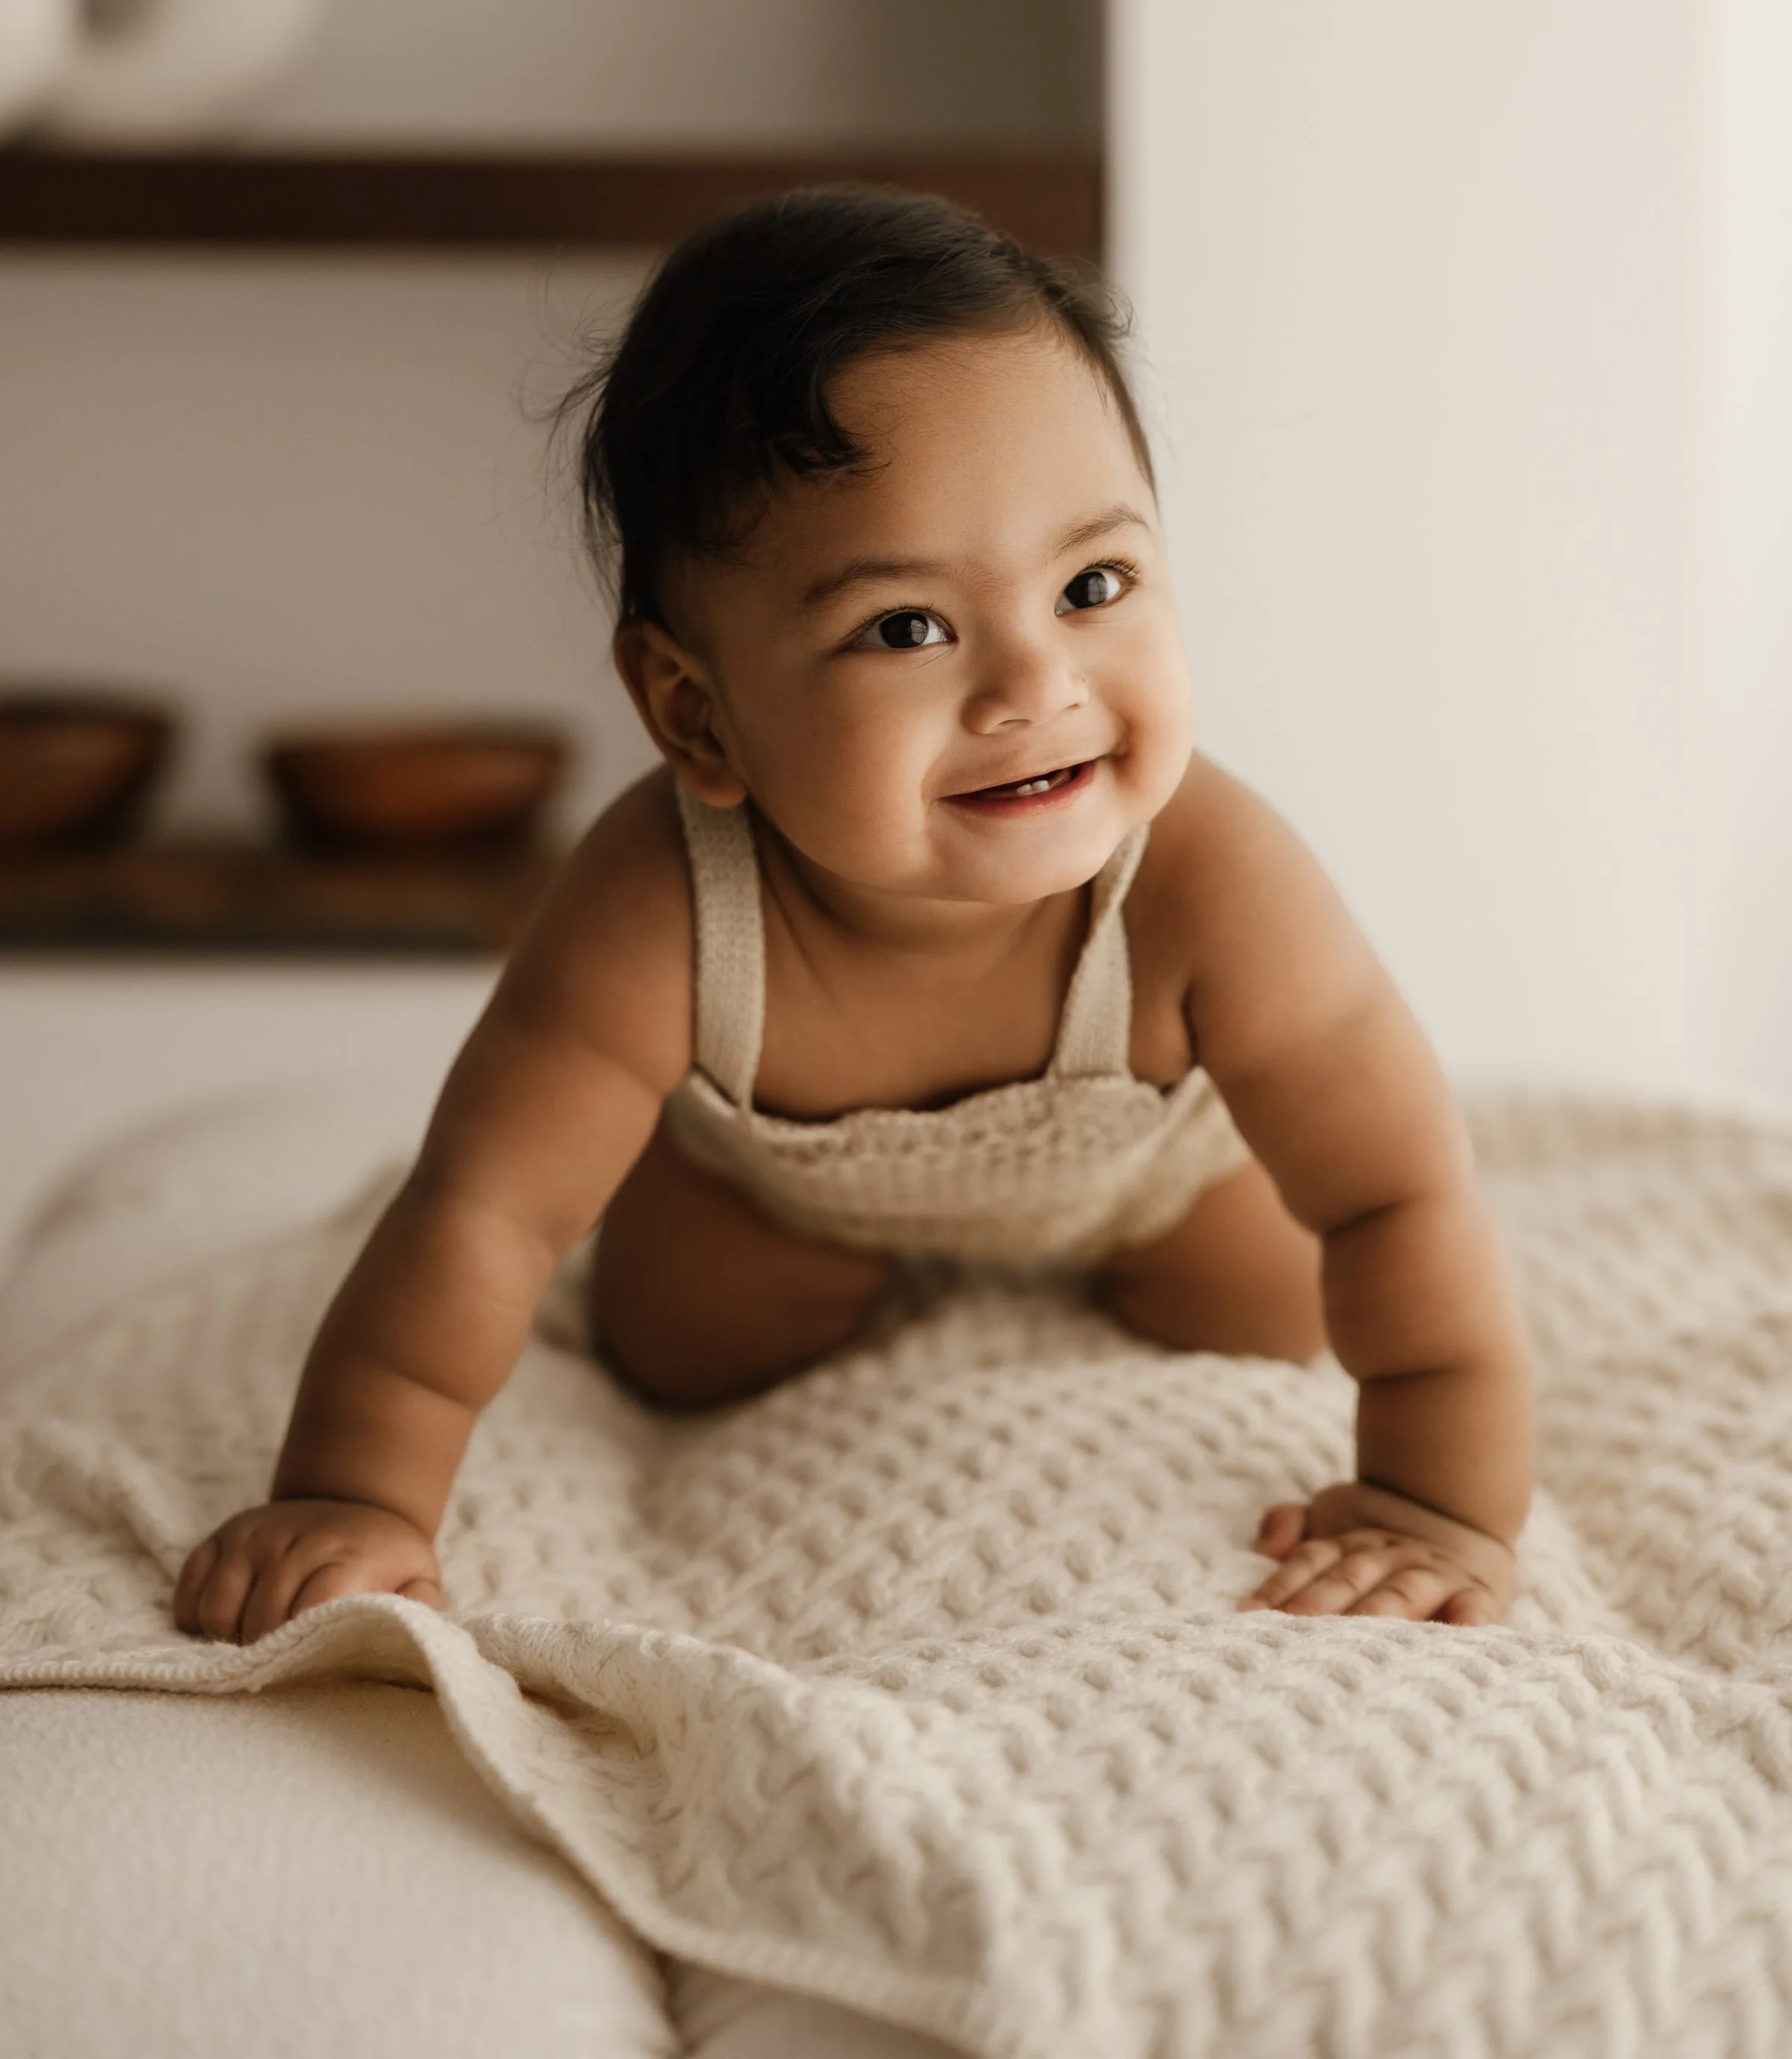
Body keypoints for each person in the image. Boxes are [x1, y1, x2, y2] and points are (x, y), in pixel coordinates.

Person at [175, 190, 1532, 1649]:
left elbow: (1399, 1193)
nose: (1035, 685)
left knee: (1272, 1311)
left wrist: (1435, 1504)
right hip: (777, 1191)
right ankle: (773, 1250)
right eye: (907, 628)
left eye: (1094, 584)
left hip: (1157, 1182)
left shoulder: (1210, 880)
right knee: (680, 1346)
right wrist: (355, 1495)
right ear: (698, 715)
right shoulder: (661, 904)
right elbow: (484, 1213)